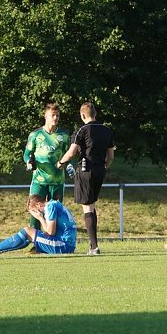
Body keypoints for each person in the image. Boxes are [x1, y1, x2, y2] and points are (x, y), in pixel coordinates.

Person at [56, 102, 115, 255]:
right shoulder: (106, 130)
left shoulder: (81, 130)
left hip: (85, 170)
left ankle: (94, 247)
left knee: (87, 206)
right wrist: (104, 167)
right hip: (100, 170)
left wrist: (61, 163)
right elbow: (111, 156)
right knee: (92, 205)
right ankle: (92, 244)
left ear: (83, 115)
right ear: (95, 113)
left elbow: (71, 153)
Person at [23, 103, 73, 229]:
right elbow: (27, 154)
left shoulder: (64, 135)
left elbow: (69, 155)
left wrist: (69, 166)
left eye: (57, 115)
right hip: (39, 180)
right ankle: (35, 242)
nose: (55, 118)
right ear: (45, 116)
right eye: (52, 115)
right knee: (34, 210)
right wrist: (28, 162)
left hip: (57, 181)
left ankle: (53, 242)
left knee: (55, 212)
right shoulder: (35, 135)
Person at [0, 194, 77, 255]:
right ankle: (36, 250)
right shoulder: (55, 203)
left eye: (34, 210)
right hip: (66, 244)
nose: (35, 214)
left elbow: (50, 232)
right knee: (29, 234)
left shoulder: (50, 207)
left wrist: (40, 218)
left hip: (63, 246)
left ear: (38, 205)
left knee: (27, 231)